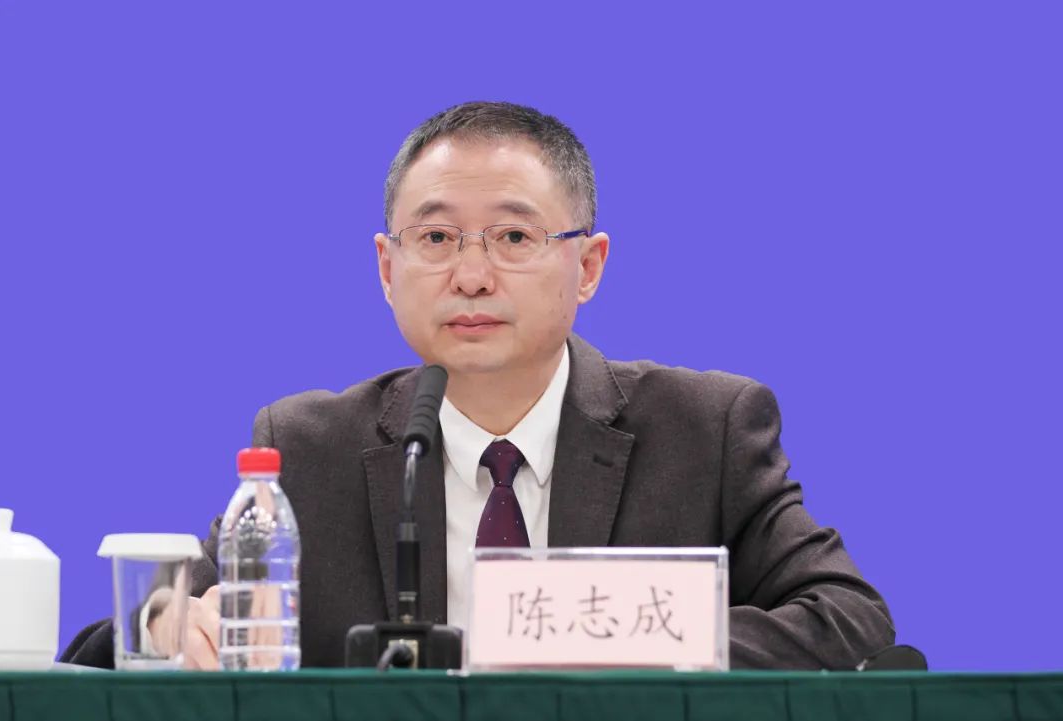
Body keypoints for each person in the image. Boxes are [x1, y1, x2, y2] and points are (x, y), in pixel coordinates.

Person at [63, 101, 894, 670]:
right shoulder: (308, 447)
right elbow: (122, 635)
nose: (470, 275)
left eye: (512, 237)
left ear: (588, 265)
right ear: (387, 268)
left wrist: (620, 638)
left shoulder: (705, 429)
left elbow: (851, 617)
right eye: (435, 238)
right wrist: (167, 622)